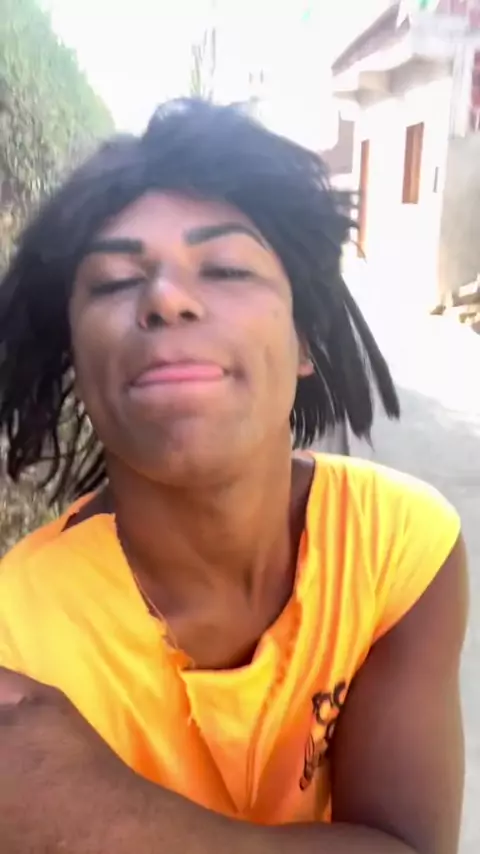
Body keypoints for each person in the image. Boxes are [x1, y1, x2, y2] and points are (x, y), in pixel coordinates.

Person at [0, 99, 467, 854]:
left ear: (305, 339)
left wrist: (103, 820)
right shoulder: (15, 636)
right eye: (115, 281)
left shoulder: (400, 550)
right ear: (78, 361)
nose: (166, 297)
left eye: (224, 269)